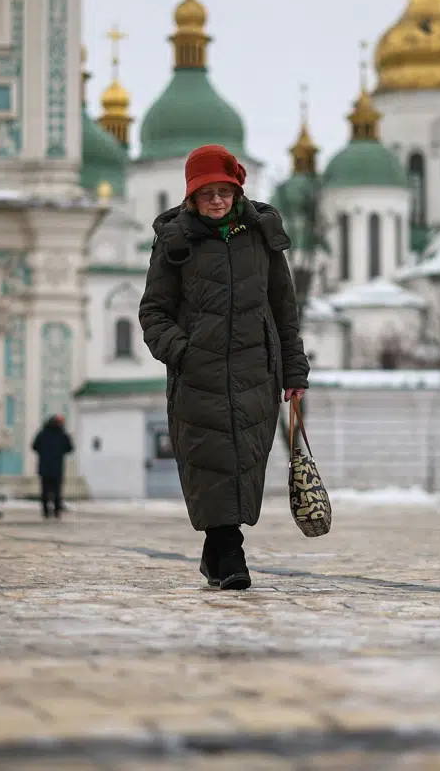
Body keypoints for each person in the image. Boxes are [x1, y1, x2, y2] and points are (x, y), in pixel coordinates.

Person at [139, 144, 310, 591]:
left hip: (257, 370)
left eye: (224, 191)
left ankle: (217, 551)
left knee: (245, 460)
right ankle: (231, 554)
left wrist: (294, 372)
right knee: (211, 459)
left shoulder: (261, 236)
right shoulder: (176, 242)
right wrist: (184, 352)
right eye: (206, 193)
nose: (216, 200)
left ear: (237, 190)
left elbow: (283, 307)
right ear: (191, 197)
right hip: (200, 375)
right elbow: (153, 313)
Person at [31, 415, 75, 519]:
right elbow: (70, 448)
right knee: (57, 490)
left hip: (44, 466)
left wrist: (44, 453)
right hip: (57, 466)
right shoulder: (62, 434)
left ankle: (46, 511)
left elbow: (34, 446)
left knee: (45, 489)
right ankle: (56, 511)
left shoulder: (42, 434)